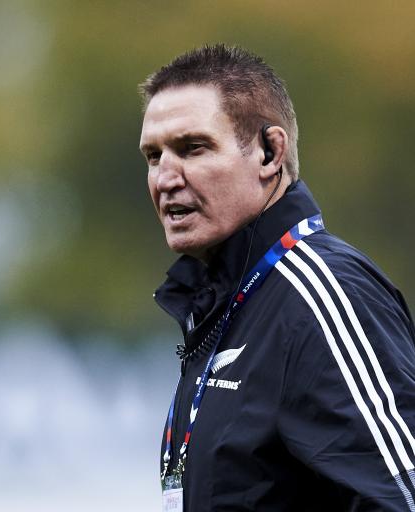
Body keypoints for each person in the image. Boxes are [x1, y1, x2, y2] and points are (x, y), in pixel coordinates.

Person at [138, 44, 415, 511]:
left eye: (192, 148)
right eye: (153, 156)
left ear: (269, 153)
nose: (165, 178)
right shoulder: (222, 308)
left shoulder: (323, 291)